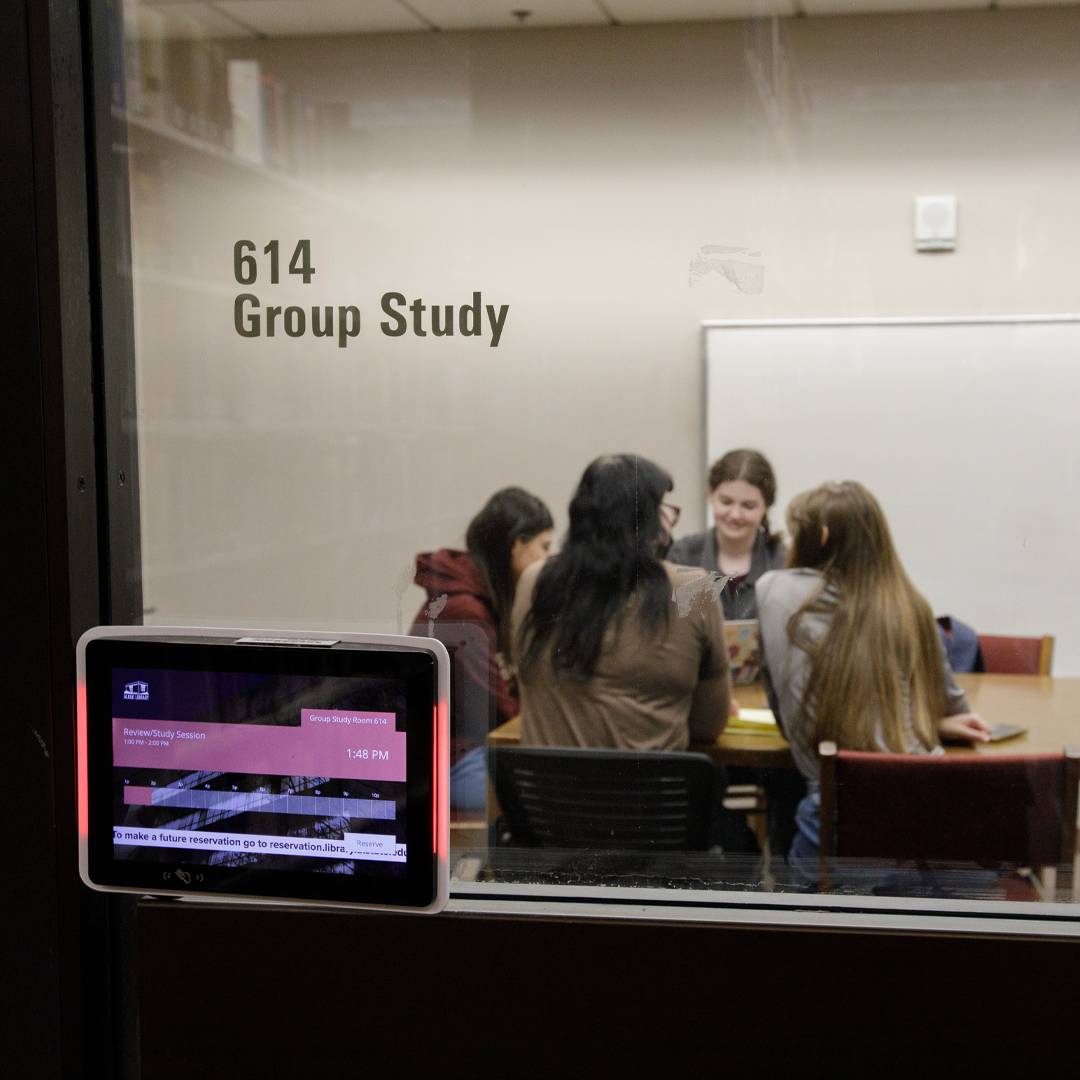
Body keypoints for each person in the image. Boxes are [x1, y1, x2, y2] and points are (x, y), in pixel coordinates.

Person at [755, 480, 991, 880]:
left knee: (810, 928)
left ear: (822, 536)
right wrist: (929, 722)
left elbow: (783, 710)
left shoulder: (774, 590)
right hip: (930, 807)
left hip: (838, 810)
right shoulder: (910, 604)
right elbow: (954, 706)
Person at [513, 454, 731, 754]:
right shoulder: (694, 589)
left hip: (548, 797)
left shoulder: (534, 582)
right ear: (649, 522)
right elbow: (708, 726)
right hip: (652, 796)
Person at [411, 487, 554, 811]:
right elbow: (498, 709)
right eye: (544, 547)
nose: (547, 560)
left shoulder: (482, 599)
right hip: (449, 760)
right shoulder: (466, 610)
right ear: (517, 544)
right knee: (551, 790)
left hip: (464, 748)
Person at [668, 448, 786, 621]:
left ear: (766, 507)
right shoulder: (682, 555)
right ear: (711, 496)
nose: (735, 515)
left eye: (748, 506)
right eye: (726, 502)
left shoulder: (782, 560)